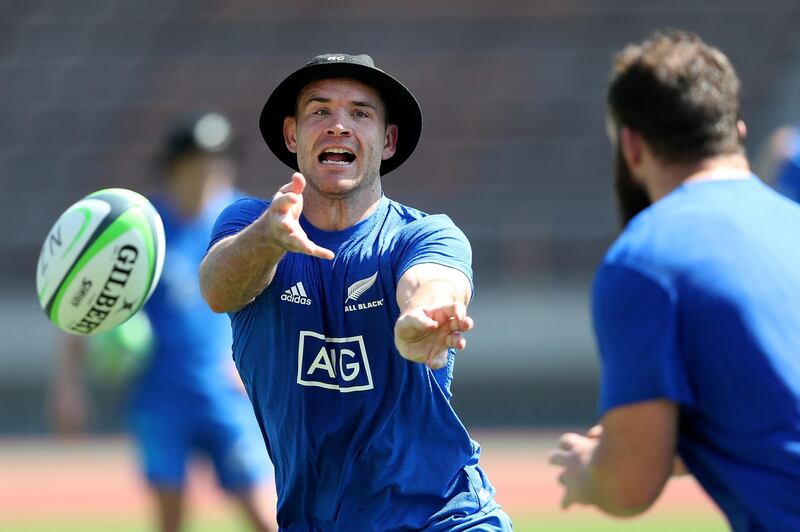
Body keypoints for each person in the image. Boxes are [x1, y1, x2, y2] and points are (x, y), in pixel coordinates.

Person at [199, 53, 512, 530]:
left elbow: (432, 282)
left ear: (386, 141)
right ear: (292, 135)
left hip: (445, 518)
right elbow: (218, 289)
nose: (339, 125)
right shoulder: (249, 226)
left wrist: (420, 317)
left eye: (360, 113)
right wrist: (267, 238)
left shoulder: (425, 234)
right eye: (320, 111)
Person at [547, 29, 800, 531]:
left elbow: (629, 485)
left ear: (632, 146)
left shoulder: (645, 261)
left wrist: (588, 473)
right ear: (738, 134)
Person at [52, 112, 277, 532]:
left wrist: (266, 367)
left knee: (267, 517)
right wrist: (68, 386)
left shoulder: (245, 222)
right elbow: (84, 299)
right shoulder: (139, 226)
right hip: (158, 395)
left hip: (225, 393)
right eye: (200, 159)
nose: (212, 169)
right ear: (175, 166)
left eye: (220, 159)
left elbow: (279, 302)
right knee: (170, 521)